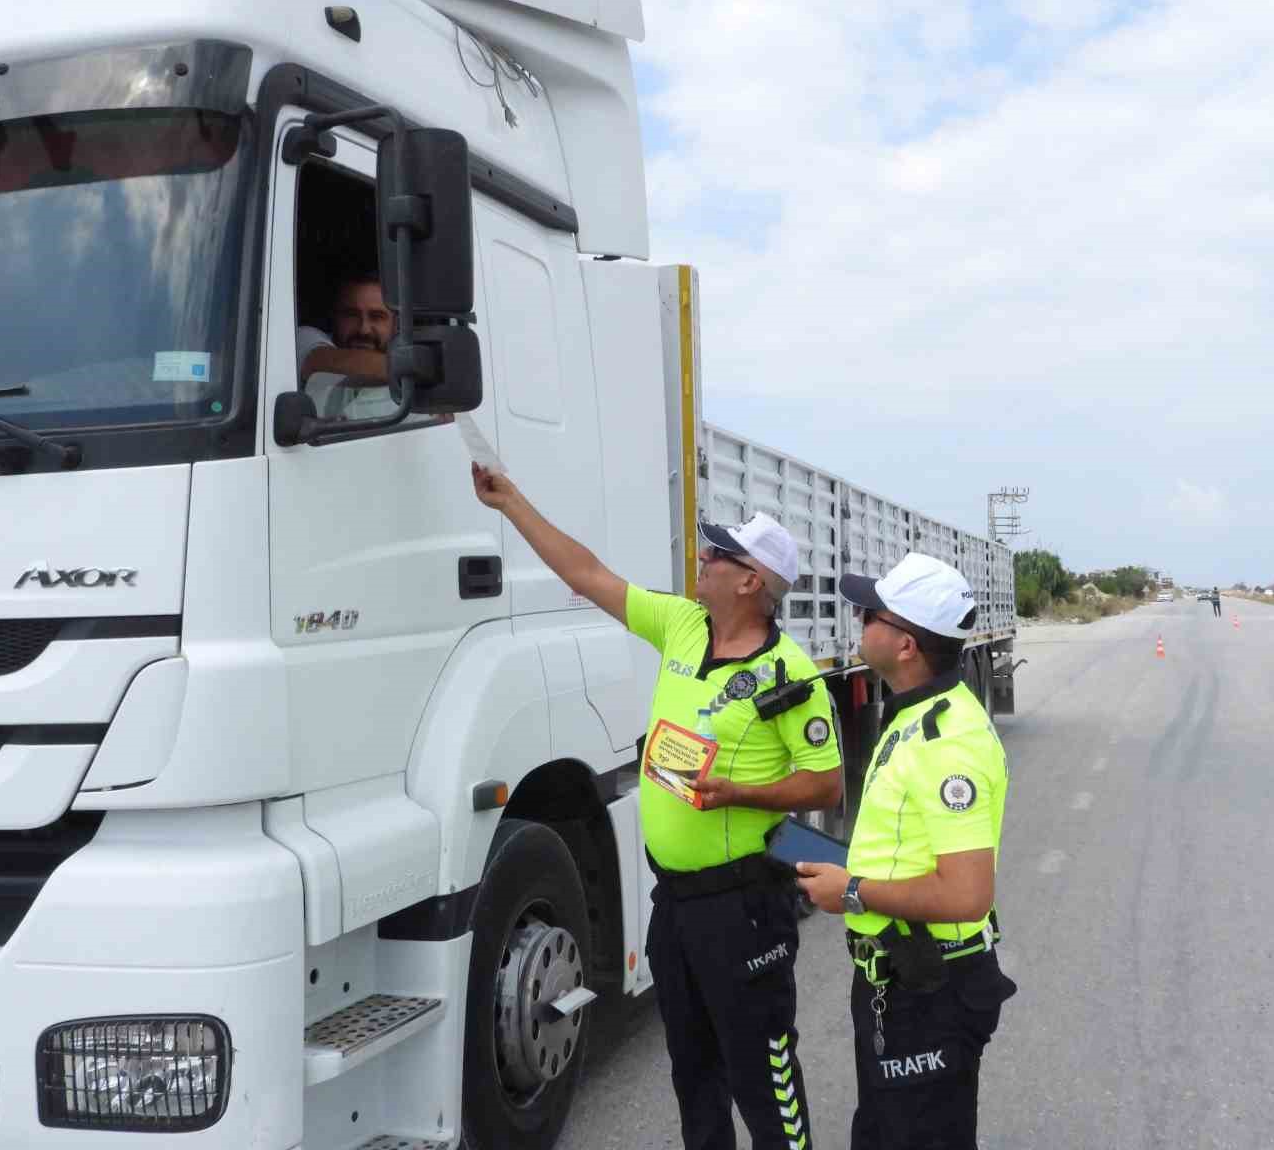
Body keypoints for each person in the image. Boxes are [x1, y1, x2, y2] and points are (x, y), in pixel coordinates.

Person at [470, 462, 843, 1150]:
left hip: (743, 907)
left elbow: (826, 786)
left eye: (718, 555)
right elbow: (587, 575)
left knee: (764, 1077)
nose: (701, 559)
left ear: (752, 581)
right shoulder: (682, 626)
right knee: (693, 1074)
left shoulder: (790, 675)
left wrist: (740, 793)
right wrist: (513, 502)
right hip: (674, 903)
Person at [796, 552, 1017, 1150]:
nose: (859, 621)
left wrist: (851, 890)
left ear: (906, 645)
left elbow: (968, 894)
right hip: (898, 979)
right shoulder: (915, 713)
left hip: (931, 989)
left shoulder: (949, 744)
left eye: (871, 613)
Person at [296, 271, 398, 420]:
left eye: (377, 316)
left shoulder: (410, 388)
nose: (364, 329)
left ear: (396, 325)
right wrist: (422, 369)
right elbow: (335, 362)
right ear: (334, 317)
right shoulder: (304, 338)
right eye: (351, 315)